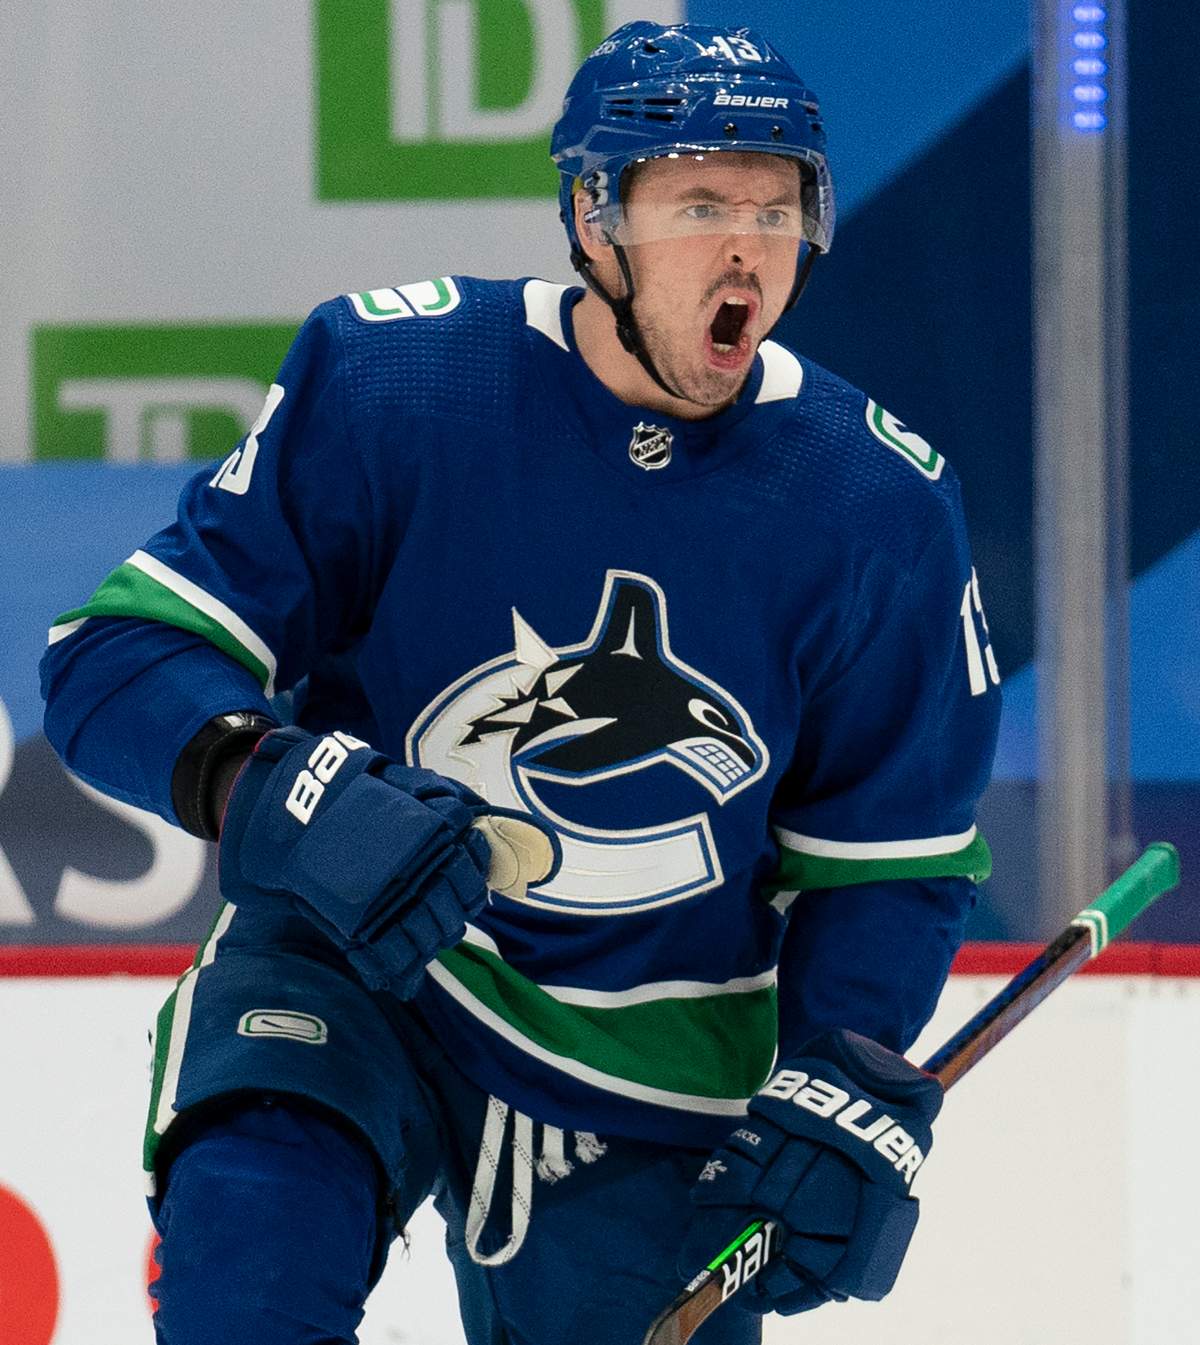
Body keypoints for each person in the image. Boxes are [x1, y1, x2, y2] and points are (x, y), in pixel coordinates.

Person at [40, 20, 1001, 1345]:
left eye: (777, 209)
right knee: (247, 1275)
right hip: (363, 964)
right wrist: (277, 787)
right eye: (701, 205)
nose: (746, 248)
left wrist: (842, 1068)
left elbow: (890, 861)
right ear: (593, 218)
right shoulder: (395, 381)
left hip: (657, 1053)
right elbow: (112, 659)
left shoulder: (878, 502)